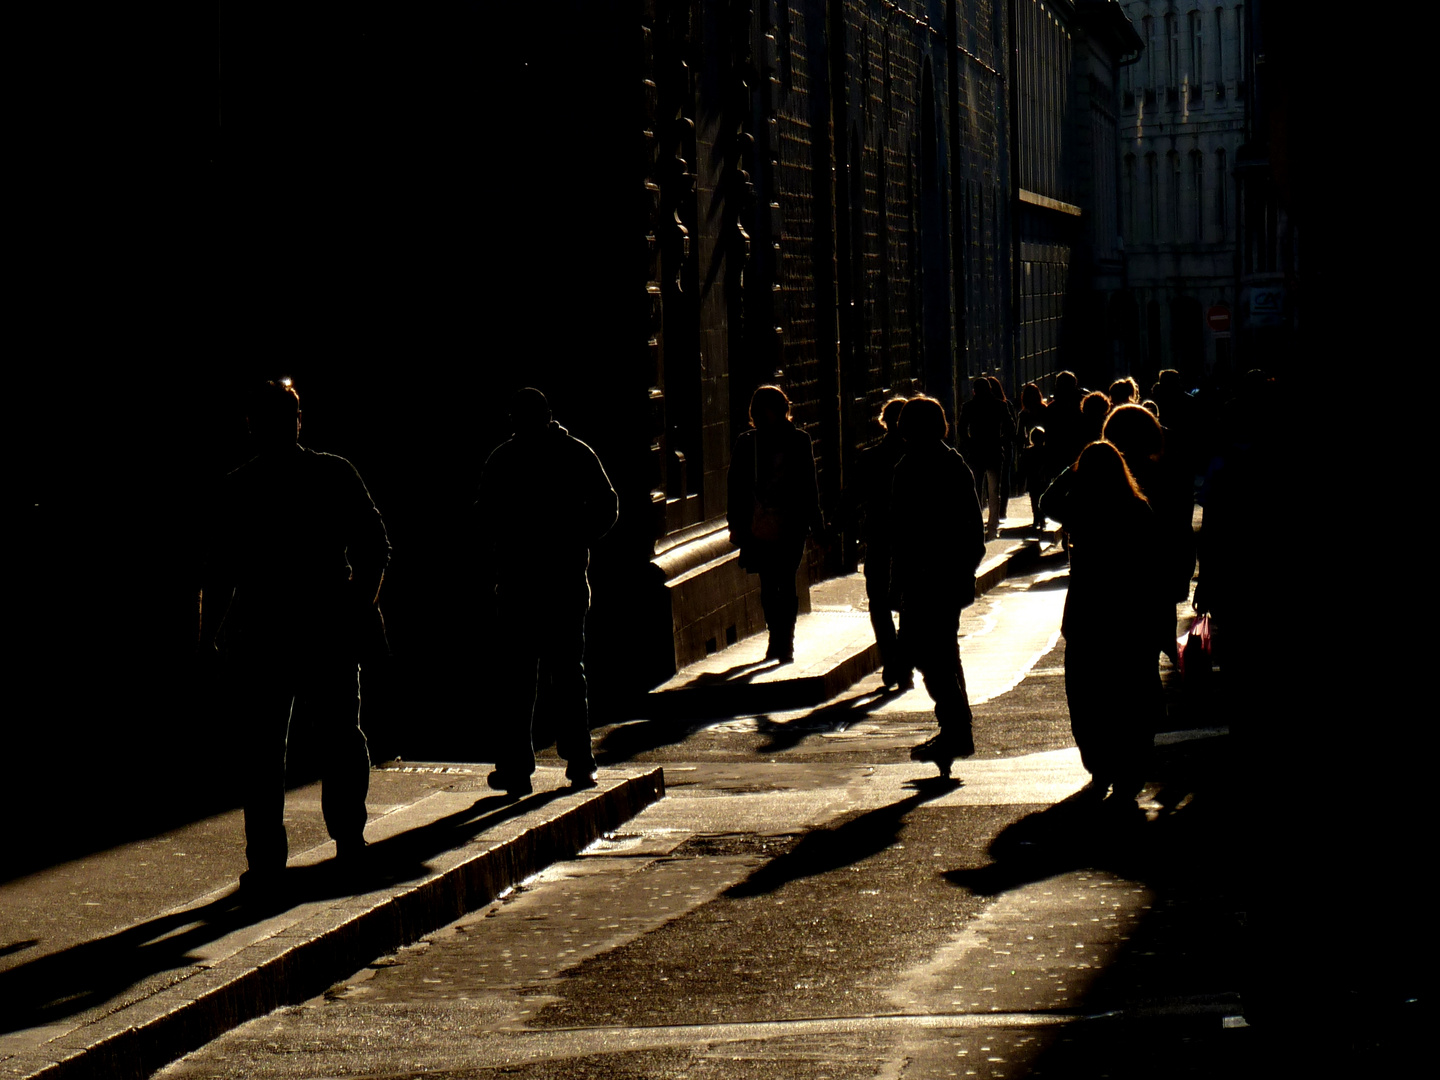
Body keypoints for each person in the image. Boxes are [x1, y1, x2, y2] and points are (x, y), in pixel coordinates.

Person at [199, 379, 391, 893]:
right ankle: (349, 841)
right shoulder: (333, 473)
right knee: (340, 739)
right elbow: (375, 547)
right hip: (328, 625)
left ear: (251, 425)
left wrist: (206, 639)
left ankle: (265, 861)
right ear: (298, 420)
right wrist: (358, 606)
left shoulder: (237, 486)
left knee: (262, 750)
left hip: (262, 631)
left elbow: (219, 576)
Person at [477, 387, 618, 795]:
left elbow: (483, 514)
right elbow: (608, 505)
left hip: (523, 583)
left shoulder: (504, 457)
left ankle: (518, 767)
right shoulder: (575, 452)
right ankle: (579, 761)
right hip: (563, 580)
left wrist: (504, 542)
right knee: (567, 674)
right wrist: (579, 538)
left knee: (520, 679)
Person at [1041, 440, 1170, 807]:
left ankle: (1099, 764)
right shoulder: (1138, 508)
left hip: (1088, 614)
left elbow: (1047, 501)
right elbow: (1154, 566)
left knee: (1087, 693)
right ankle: (1132, 767)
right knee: (1131, 692)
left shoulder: (1080, 507)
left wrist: (1070, 470)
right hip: (1131, 614)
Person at [890, 395, 987, 776]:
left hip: (926, 581)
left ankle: (956, 730)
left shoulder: (911, 467)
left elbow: (902, 533)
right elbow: (972, 529)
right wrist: (965, 572)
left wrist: (900, 583)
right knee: (941, 654)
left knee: (931, 655)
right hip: (943, 579)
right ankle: (954, 728)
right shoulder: (952, 463)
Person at [727, 385, 824, 664]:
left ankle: (784, 640)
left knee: (784, 581)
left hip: (790, 525)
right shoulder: (748, 443)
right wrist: (736, 523)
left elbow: (809, 486)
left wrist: (816, 526)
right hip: (760, 525)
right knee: (770, 584)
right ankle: (777, 635)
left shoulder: (797, 441)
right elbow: (735, 486)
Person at [856, 397, 913, 689]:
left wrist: (833, 528)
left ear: (885, 422)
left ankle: (892, 660)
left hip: (879, 540)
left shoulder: (870, 458)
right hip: (915, 544)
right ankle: (903, 661)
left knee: (878, 603)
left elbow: (852, 497)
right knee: (910, 604)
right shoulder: (922, 458)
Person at [958, 377, 1012, 541]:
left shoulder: (968, 407)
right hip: (994, 452)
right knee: (994, 490)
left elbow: (961, 429)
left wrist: (969, 444)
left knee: (976, 490)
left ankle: (976, 524)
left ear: (974, 390)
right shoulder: (999, 405)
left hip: (976, 453)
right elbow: (1010, 427)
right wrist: (1000, 441)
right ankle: (992, 526)